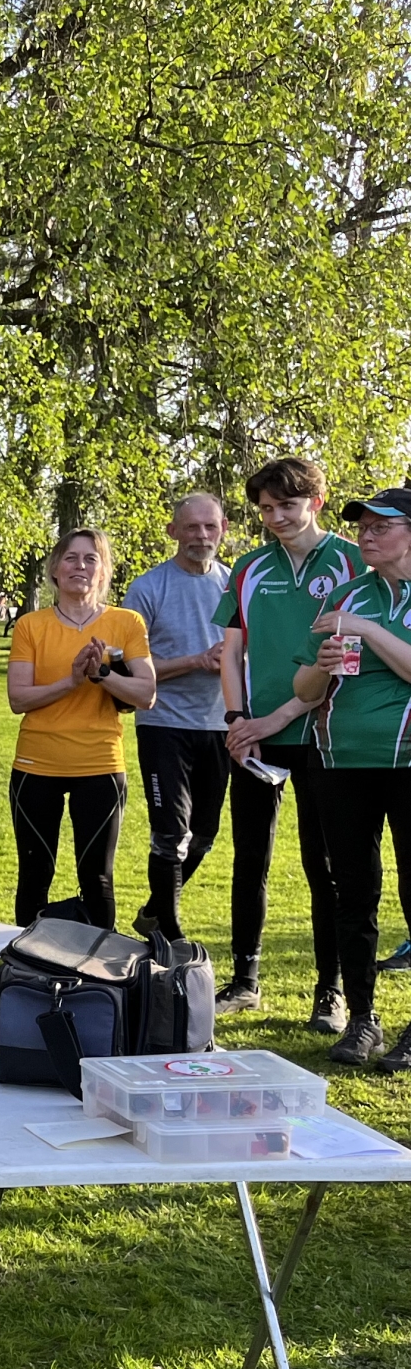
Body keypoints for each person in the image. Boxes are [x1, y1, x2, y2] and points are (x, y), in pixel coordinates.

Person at [217, 457, 362, 1024]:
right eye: (267, 508)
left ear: (316, 501)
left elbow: (346, 658)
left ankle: (332, 990)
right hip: (253, 735)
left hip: (326, 734)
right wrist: (235, 718)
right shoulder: (248, 567)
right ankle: (244, 978)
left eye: (288, 505)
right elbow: (231, 652)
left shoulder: (355, 561)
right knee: (250, 857)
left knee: (323, 863)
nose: (277, 517)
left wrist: (275, 718)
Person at [302, 488, 411, 1068]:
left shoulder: (357, 613)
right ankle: (362, 1019)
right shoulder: (347, 596)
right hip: (341, 764)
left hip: (409, 765)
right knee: (353, 893)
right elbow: (303, 690)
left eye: (382, 526)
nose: (367, 534)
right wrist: (318, 672)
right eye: (363, 526)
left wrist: (366, 630)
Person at [5, 529, 158, 927]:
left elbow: (146, 694)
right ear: (55, 570)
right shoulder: (30, 625)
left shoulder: (127, 622)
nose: (81, 566)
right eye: (71, 558)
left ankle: (99, 979)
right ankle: (28, 973)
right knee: (35, 876)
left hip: (100, 765)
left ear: (105, 571)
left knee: (98, 878)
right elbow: (18, 699)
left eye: (92, 559)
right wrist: (71, 681)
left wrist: (102, 674)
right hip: (37, 765)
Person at [123, 494, 231, 941]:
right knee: (170, 832)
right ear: (173, 532)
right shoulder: (147, 589)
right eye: (191, 528)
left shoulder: (235, 584)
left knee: (203, 834)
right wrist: (196, 661)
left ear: (223, 529)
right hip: (164, 723)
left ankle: (153, 909)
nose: (201, 537)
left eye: (209, 527)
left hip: (221, 724)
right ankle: (169, 933)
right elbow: (129, 670)